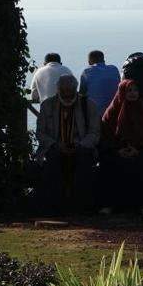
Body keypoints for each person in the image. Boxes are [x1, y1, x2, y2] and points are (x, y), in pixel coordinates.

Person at [36, 74, 101, 213]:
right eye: (63, 94)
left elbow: (94, 133)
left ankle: (83, 207)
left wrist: (80, 145)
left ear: (75, 91)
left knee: (84, 162)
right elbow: (40, 133)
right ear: (58, 91)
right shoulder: (47, 105)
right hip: (55, 146)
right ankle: (52, 206)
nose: (67, 98)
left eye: (70, 94)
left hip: (81, 146)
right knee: (52, 162)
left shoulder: (88, 105)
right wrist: (55, 144)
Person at [98, 79, 143, 215]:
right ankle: (109, 204)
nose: (133, 93)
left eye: (135, 90)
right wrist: (118, 149)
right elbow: (106, 133)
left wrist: (137, 149)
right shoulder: (113, 110)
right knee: (109, 164)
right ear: (122, 92)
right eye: (129, 90)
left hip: (139, 149)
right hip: (116, 149)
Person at [78, 50, 121, 115]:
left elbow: (81, 94)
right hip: (114, 112)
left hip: (95, 114)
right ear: (104, 60)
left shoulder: (87, 71)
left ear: (89, 62)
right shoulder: (114, 69)